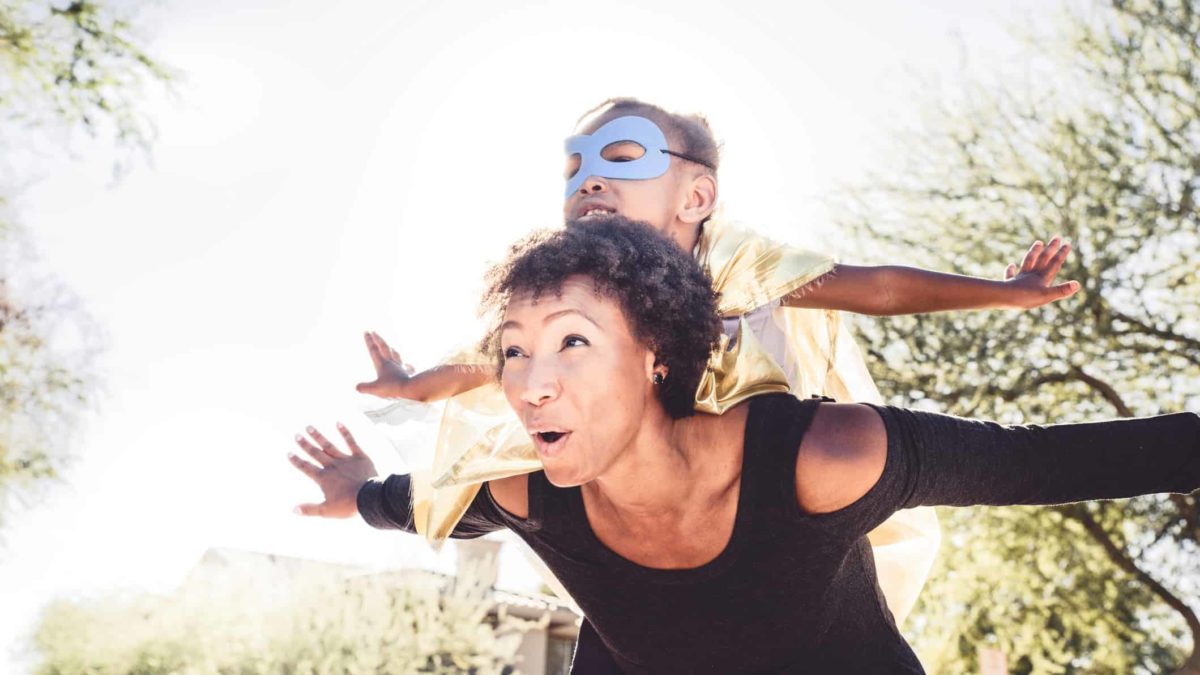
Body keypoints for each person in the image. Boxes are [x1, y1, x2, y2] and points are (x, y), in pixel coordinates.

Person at [291, 217, 1199, 674]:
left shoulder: (815, 458)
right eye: (515, 350)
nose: (531, 382)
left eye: (572, 340)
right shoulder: (534, 493)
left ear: (653, 355)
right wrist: (358, 490)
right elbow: (425, 504)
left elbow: (1043, 461)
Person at [353, 98, 1078, 629]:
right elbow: (489, 359)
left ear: (696, 196)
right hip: (651, 477)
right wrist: (412, 385)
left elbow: (873, 287)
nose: (590, 182)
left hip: (756, 461)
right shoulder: (575, 286)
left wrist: (1004, 293)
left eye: (623, 160)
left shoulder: (734, 258)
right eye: (575, 169)